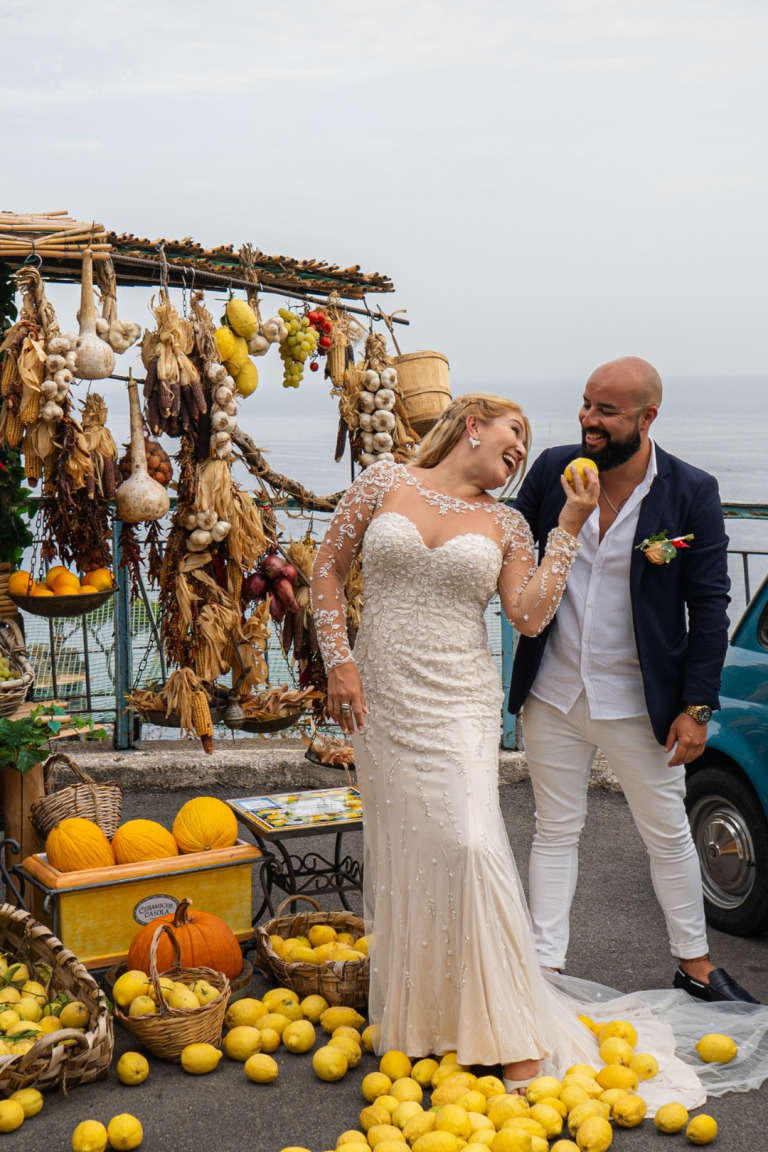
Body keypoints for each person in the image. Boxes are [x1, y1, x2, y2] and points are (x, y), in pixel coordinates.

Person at [311, 392, 599, 1089]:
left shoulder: (508, 523)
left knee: (472, 843)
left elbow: (528, 617)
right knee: (411, 849)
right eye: (514, 432)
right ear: (473, 424)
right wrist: (338, 662)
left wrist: (568, 524)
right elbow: (325, 569)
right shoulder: (382, 480)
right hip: (382, 699)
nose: (520, 449)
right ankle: (432, 1024)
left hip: (460, 701)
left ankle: (514, 1029)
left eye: (525, 445)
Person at [509, 355, 759, 1005]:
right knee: (555, 829)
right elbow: (511, 549)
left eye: (607, 411)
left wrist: (698, 706)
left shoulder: (690, 491)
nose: (589, 420)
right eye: (586, 404)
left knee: (668, 832)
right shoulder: (551, 472)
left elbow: (709, 606)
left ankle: (696, 964)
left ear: (648, 417)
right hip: (552, 691)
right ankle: (545, 972)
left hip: (640, 700)